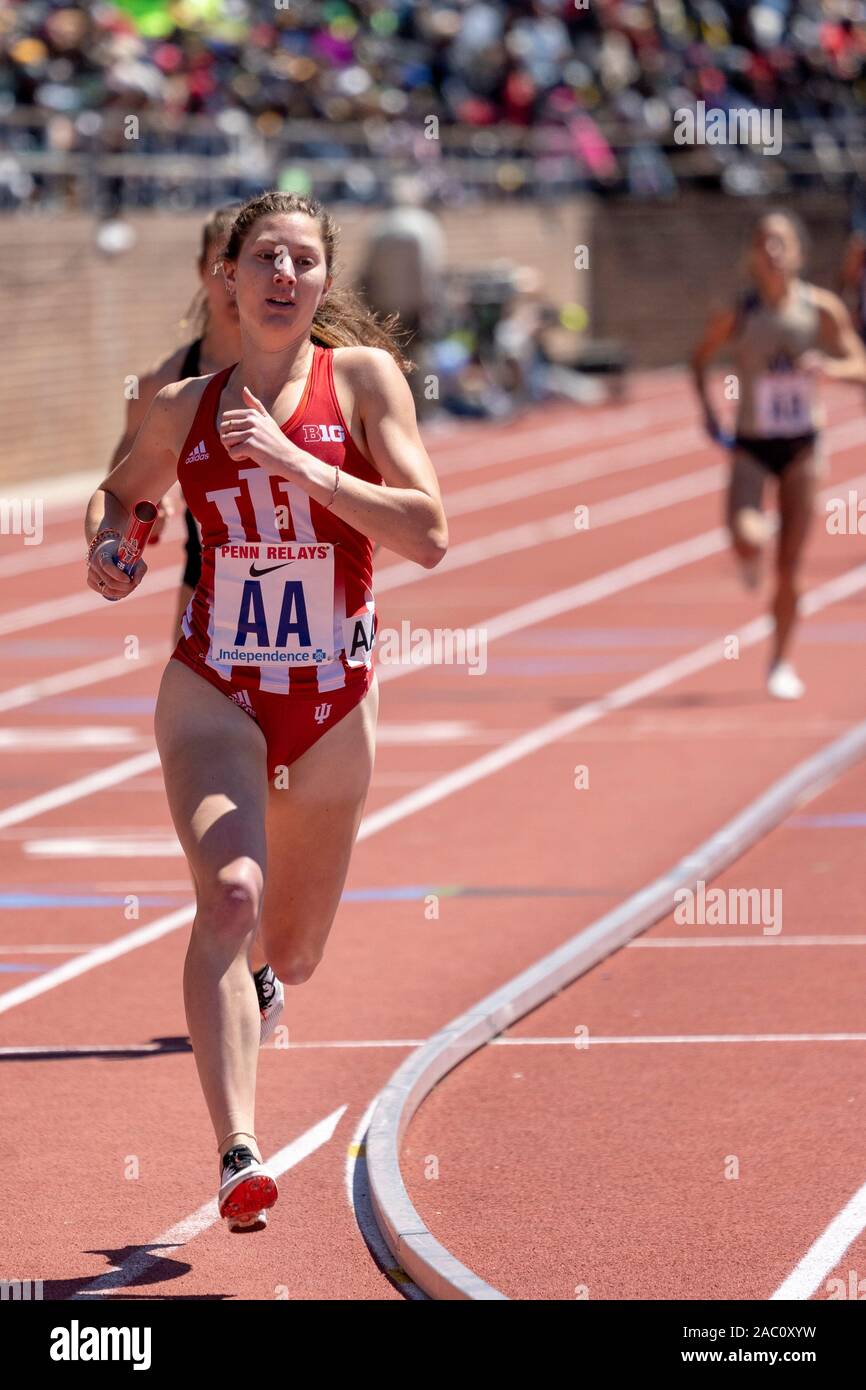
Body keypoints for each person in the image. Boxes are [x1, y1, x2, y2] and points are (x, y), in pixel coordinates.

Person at [84, 191, 448, 1232]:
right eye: (264, 260)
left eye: (303, 260)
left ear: (323, 282)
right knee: (232, 894)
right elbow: (123, 495)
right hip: (216, 686)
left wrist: (299, 463)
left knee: (289, 951)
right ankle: (236, 1148)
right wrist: (115, 545)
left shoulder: (365, 382)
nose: (284, 275)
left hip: (332, 703)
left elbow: (426, 532)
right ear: (229, 282)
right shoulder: (182, 406)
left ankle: (258, 987)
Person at [691, 209, 866, 701]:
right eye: (763, 243)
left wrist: (830, 367)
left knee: (791, 568)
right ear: (752, 254)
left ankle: (780, 662)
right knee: (746, 537)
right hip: (752, 443)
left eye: (780, 243)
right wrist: (708, 411)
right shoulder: (739, 311)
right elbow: (699, 358)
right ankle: (751, 552)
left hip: (802, 444)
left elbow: (861, 363)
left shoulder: (821, 309)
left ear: (798, 254)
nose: (771, 252)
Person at [106, 205, 241, 639]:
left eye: (249, 264)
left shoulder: (326, 369)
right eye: (223, 266)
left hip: (312, 582)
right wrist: (132, 519)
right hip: (206, 579)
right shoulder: (162, 386)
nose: (235, 284)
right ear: (202, 270)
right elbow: (119, 490)